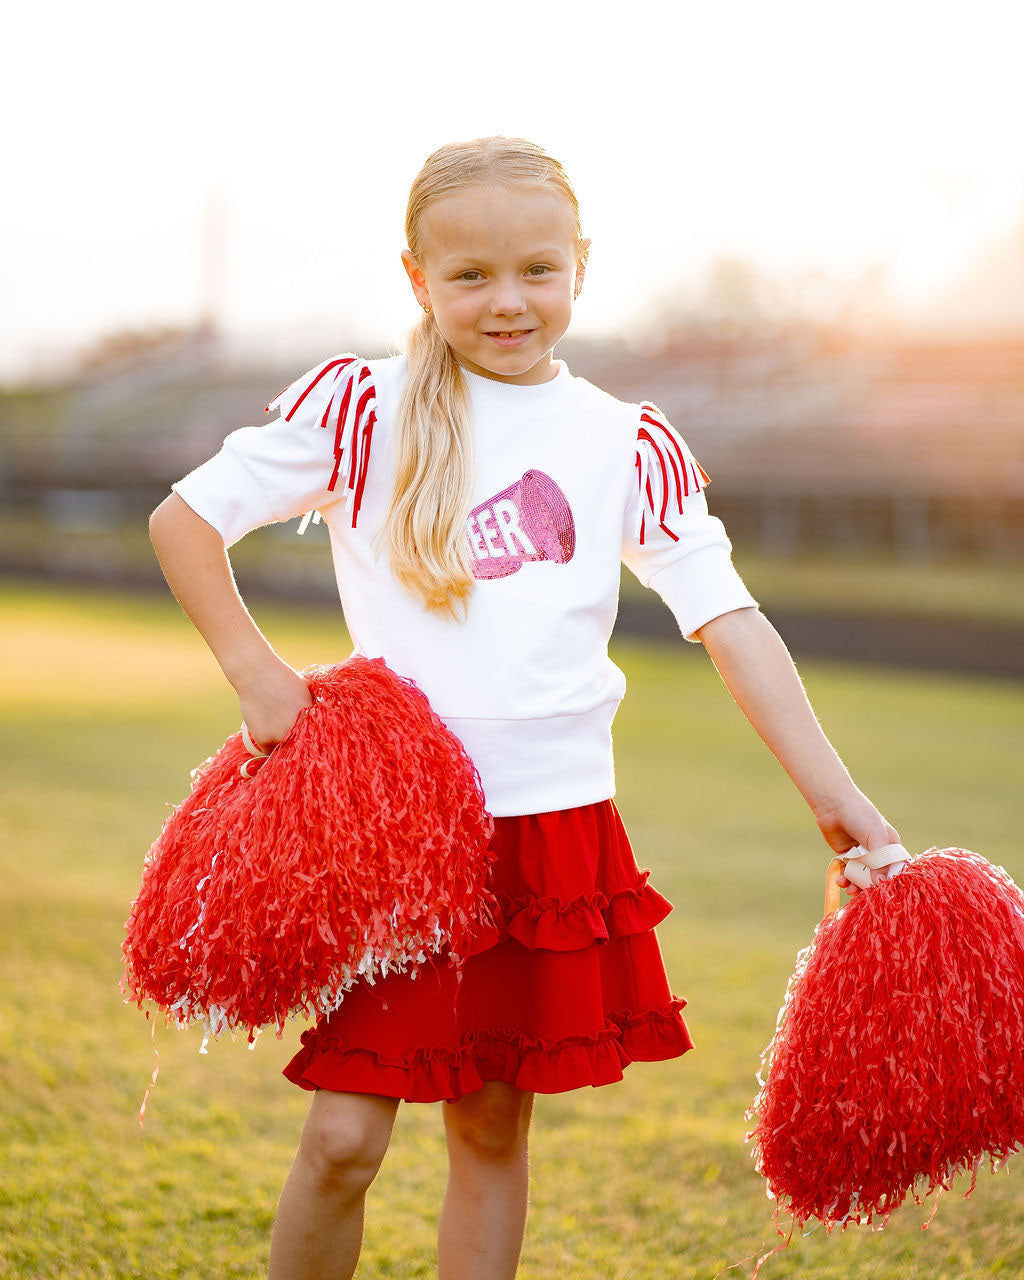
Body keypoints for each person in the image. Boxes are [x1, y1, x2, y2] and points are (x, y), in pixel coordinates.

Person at [149, 136, 899, 1280]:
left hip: (551, 829)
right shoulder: (365, 407)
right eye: (471, 276)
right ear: (417, 278)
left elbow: (731, 619)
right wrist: (260, 678)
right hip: (396, 839)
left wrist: (834, 793)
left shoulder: (622, 440)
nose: (508, 301)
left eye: (537, 270)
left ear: (581, 266)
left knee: (491, 1125)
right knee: (345, 1134)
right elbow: (184, 521)